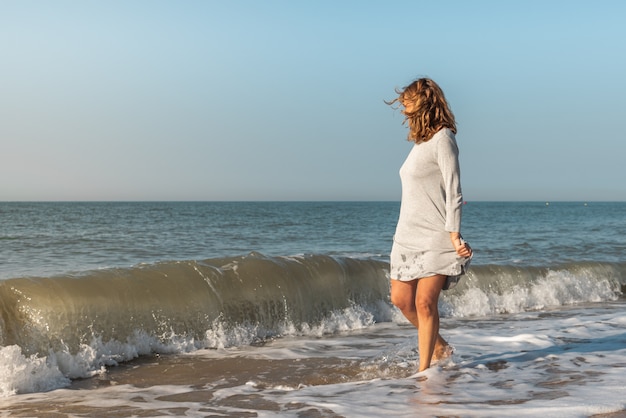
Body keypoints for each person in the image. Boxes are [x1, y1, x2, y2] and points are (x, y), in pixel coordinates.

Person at [386, 78, 472, 372]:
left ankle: (424, 374)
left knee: (424, 302)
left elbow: (454, 188)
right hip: (407, 235)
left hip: (437, 234)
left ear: (423, 102)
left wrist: (454, 234)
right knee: (401, 299)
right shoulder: (421, 143)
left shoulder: (444, 139)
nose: (403, 111)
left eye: (407, 103)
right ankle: (440, 347)